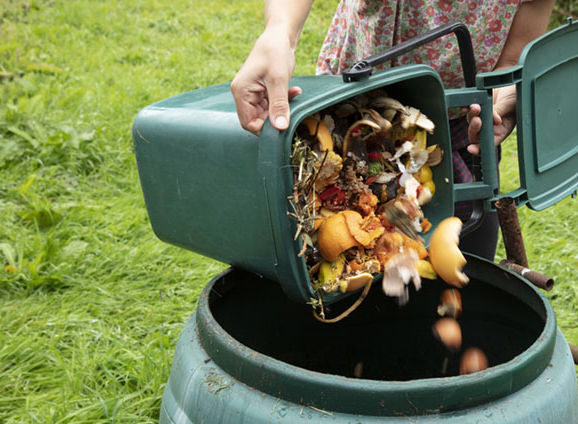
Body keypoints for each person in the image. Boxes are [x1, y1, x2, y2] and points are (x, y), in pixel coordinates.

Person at [231, 0, 554, 261]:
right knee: (329, 251)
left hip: (458, 131)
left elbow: (516, 53)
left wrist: (504, 92)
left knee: (464, 264)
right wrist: (279, 31)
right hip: (347, 117)